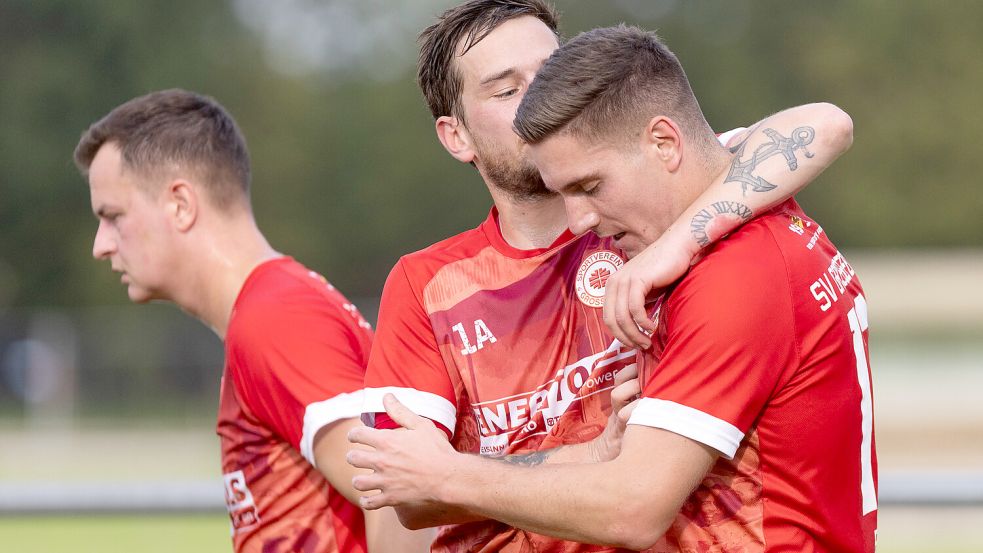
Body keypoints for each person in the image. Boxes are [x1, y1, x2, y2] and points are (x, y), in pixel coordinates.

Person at [355, 2, 860, 552]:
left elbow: (824, 125)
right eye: (505, 89)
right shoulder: (425, 283)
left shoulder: (661, 209)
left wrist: (678, 242)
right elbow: (406, 494)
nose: (535, 97)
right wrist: (589, 453)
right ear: (457, 137)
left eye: (549, 72)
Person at [74, 89, 431, 553]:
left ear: (180, 204)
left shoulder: (273, 318)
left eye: (113, 216)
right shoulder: (268, 309)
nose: (100, 245)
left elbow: (402, 504)